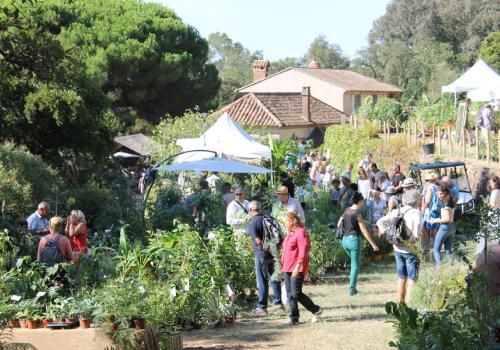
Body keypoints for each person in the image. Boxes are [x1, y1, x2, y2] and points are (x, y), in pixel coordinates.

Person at [377, 189, 422, 303]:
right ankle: (410, 304)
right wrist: (416, 239)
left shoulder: (397, 211)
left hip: (397, 248)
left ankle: (400, 303)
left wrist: (386, 233)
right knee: (412, 278)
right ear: (416, 200)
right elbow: (417, 227)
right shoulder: (416, 212)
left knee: (402, 278)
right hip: (411, 249)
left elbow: (380, 222)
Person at [281, 211, 322, 325]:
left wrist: (297, 266)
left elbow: (303, 251)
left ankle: (316, 310)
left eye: (286, 221)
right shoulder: (290, 233)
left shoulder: (301, 232)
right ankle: (294, 318)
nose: (284, 223)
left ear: (292, 221)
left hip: (297, 267)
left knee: (296, 293)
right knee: (290, 295)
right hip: (287, 267)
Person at [338, 192, 379, 295]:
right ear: (360, 201)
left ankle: (353, 286)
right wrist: (373, 244)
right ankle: (352, 289)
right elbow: (364, 231)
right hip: (354, 241)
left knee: (355, 263)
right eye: (363, 201)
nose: (363, 203)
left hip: (344, 241)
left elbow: (339, 223)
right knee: (355, 266)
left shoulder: (347, 210)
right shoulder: (357, 214)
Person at [247, 201, 283, 314]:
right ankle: (278, 304)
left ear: (250, 210)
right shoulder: (267, 218)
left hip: (262, 255)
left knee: (262, 280)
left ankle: (262, 307)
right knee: (274, 278)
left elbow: (257, 240)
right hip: (272, 253)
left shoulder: (252, 222)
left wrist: (263, 248)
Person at [429, 186, 455, 265]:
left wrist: (435, 220)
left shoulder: (446, 204)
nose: (439, 195)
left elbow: (447, 219)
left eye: (441, 194)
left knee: (436, 250)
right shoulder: (450, 202)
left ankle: (439, 269)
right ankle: (452, 268)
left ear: (445, 193)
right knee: (448, 250)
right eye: (438, 194)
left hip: (444, 227)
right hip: (451, 228)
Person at [421, 173, 439, 255]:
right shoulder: (437, 187)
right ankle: (437, 246)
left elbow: (427, 200)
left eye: (427, 180)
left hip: (429, 211)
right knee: (434, 229)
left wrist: (423, 208)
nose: (426, 182)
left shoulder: (430, 188)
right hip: (435, 210)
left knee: (425, 229)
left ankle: (427, 247)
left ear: (431, 180)